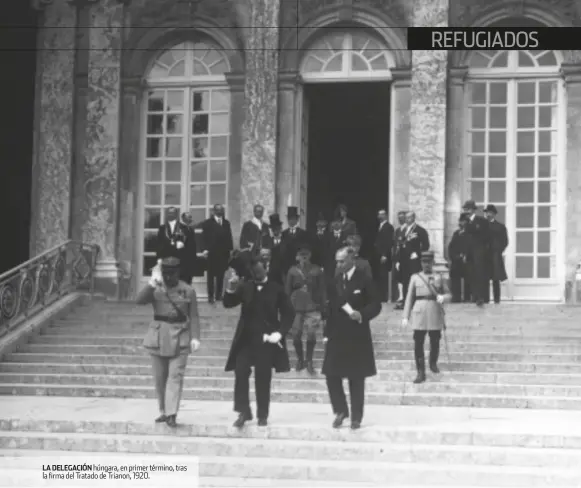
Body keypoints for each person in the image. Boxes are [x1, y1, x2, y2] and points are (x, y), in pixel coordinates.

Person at [223, 256, 295, 428]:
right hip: (246, 340)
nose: (255, 274)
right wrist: (231, 289)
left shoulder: (277, 289)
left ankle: (262, 414)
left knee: (263, 377)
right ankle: (243, 411)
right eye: (253, 272)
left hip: (266, 340)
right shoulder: (246, 286)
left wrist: (280, 333)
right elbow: (228, 303)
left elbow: (289, 314)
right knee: (240, 371)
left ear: (267, 268)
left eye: (259, 271)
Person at [136, 257, 201, 427]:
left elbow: (193, 315)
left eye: (172, 274)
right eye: (166, 274)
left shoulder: (188, 291)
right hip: (158, 336)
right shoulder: (155, 289)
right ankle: (164, 411)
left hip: (180, 336)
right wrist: (151, 283)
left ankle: (172, 413)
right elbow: (138, 300)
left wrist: (195, 337)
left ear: (178, 273)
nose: (169, 277)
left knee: (175, 376)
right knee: (160, 378)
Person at [322, 247, 381, 430]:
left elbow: (376, 305)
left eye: (342, 261)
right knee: (331, 374)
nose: (338, 265)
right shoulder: (336, 281)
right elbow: (331, 309)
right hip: (337, 335)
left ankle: (356, 417)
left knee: (356, 377)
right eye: (337, 261)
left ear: (352, 260)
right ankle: (341, 410)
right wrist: (326, 333)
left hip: (357, 335)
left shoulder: (364, 279)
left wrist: (362, 314)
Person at [402, 251, 451, 384]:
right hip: (419, 313)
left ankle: (433, 363)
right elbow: (409, 298)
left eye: (429, 262)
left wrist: (443, 297)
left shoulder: (439, 277)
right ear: (421, 263)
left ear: (433, 262)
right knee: (418, 343)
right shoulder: (415, 277)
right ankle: (420, 371)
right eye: (424, 262)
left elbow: (449, 294)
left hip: (434, 311)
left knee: (435, 340)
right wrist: (406, 316)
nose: (426, 265)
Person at [285, 247, 326, 375]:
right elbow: (287, 291)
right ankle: (300, 359)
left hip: (312, 306)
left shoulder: (317, 270)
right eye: (301, 255)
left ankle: (309, 361)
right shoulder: (292, 271)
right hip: (296, 307)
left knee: (311, 334)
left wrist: (323, 306)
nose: (304, 258)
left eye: (306, 255)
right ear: (296, 256)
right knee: (296, 335)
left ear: (310, 256)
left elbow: (322, 289)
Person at [201, 204, 234, 304]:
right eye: (218, 210)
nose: (220, 212)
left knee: (221, 275)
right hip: (211, 253)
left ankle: (219, 295)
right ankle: (210, 296)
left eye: (222, 210)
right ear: (214, 211)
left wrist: (230, 250)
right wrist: (204, 249)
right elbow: (203, 238)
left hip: (223, 253)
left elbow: (229, 237)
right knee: (211, 276)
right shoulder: (207, 223)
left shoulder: (226, 223)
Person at [156, 207, 195, 284]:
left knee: (182, 285)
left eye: (173, 212)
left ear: (176, 214)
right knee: (167, 285)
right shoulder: (162, 228)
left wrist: (183, 245)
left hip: (182, 262)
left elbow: (191, 247)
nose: (170, 214)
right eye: (169, 213)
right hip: (166, 261)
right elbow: (159, 244)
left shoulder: (185, 228)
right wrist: (159, 258)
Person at [462, 200, 490, 307]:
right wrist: (464, 253)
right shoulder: (465, 222)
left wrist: (483, 251)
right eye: (465, 209)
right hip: (469, 253)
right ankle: (474, 296)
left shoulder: (481, 221)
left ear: (474, 210)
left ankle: (481, 297)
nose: (466, 211)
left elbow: (486, 237)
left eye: (468, 209)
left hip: (479, 252)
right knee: (471, 275)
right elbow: (465, 238)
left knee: (480, 275)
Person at [399, 211, 430, 301]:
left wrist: (417, 254)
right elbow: (400, 243)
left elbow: (426, 245)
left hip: (414, 260)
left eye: (409, 217)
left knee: (414, 279)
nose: (407, 219)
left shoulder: (420, 230)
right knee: (405, 280)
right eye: (406, 217)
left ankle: (415, 299)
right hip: (404, 259)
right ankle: (406, 300)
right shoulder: (403, 230)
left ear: (413, 218)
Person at [484, 204, 508, 304]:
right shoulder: (482, 225)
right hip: (484, 255)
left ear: (494, 214)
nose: (487, 215)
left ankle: (497, 299)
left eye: (489, 213)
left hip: (495, 254)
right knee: (484, 277)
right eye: (486, 213)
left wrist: (498, 250)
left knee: (495, 278)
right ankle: (485, 299)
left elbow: (505, 241)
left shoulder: (500, 227)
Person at [448, 213, 472, 303]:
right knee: (454, 276)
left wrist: (466, 255)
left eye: (463, 221)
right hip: (456, 260)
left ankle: (467, 297)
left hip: (467, 260)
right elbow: (451, 247)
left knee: (468, 278)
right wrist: (455, 256)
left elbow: (471, 246)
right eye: (460, 221)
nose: (461, 223)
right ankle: (456, 296)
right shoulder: (456, 233)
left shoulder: (470, 234)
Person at [280, 206, 309, 277]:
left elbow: (305, 250)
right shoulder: (283, 233)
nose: (291, 221)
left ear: (297, 220)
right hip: (287, 265)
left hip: (299, 264)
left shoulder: (303, 233)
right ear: (287, 220)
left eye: (293, 219)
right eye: (289, 219)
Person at [373, 209, 394, 303]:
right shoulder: (380, 226)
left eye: (381, 214)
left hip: (384, 256)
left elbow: (389, 242)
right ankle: (380, 296)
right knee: (379, 276)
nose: (379, 216)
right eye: (378, 214)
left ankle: (385, 297)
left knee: (384, 276)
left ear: (386, 215)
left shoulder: (389, 227)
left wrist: (385, 254)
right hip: (378, 255)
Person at [262, 214, 284, 284]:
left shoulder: (285, 241)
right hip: (271, 272)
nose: (275, 230)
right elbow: (264, 257)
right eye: (273, 228)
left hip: (283, 273)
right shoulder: (268, 241)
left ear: (280, 228)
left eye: (277, 228)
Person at [392, 211, 407, 309]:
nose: (400, 219)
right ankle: (401, 296)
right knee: (398, 277)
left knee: (405, 277)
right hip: (398, 257)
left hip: (405, 257)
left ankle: (405, 298)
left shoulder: (408, 229)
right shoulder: (397, 231)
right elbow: (395, 244)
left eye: (402, 217)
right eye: (399, 218)